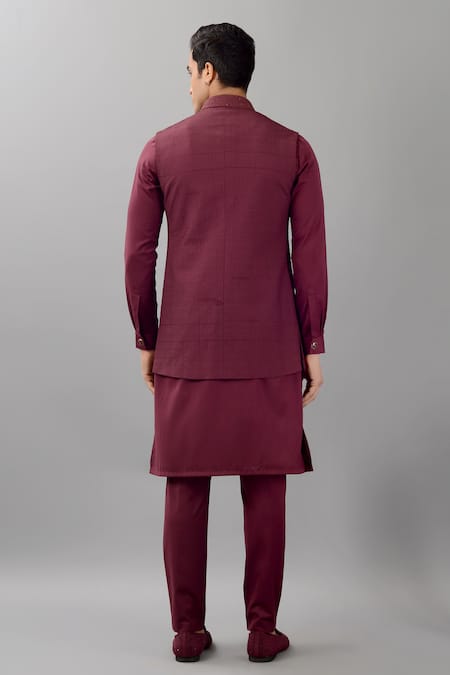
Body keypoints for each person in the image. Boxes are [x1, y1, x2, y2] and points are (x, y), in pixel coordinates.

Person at [124, 22, 328, 663]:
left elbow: (138, 255)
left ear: (209, 71)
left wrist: (146, 334)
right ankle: (263, 632)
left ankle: (187, 631)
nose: (187, 83)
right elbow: (309, 257)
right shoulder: (293, 150)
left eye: (189, 71)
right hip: (270, 348)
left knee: (185, 487)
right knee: (266, 487)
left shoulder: (160, 150)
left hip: (184, 350)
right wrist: (313, 344)